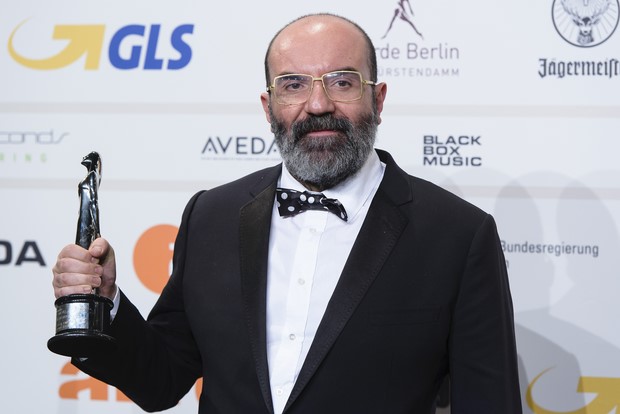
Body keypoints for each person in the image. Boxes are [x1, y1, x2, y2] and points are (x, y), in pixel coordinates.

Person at [52, 13, 522, 413]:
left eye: (342, 82)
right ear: (269, 106)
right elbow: (162, 379)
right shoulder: (211, 215)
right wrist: (105, 305)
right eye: (293, 85)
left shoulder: (458, 235)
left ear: (377, 100)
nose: (318, 105)